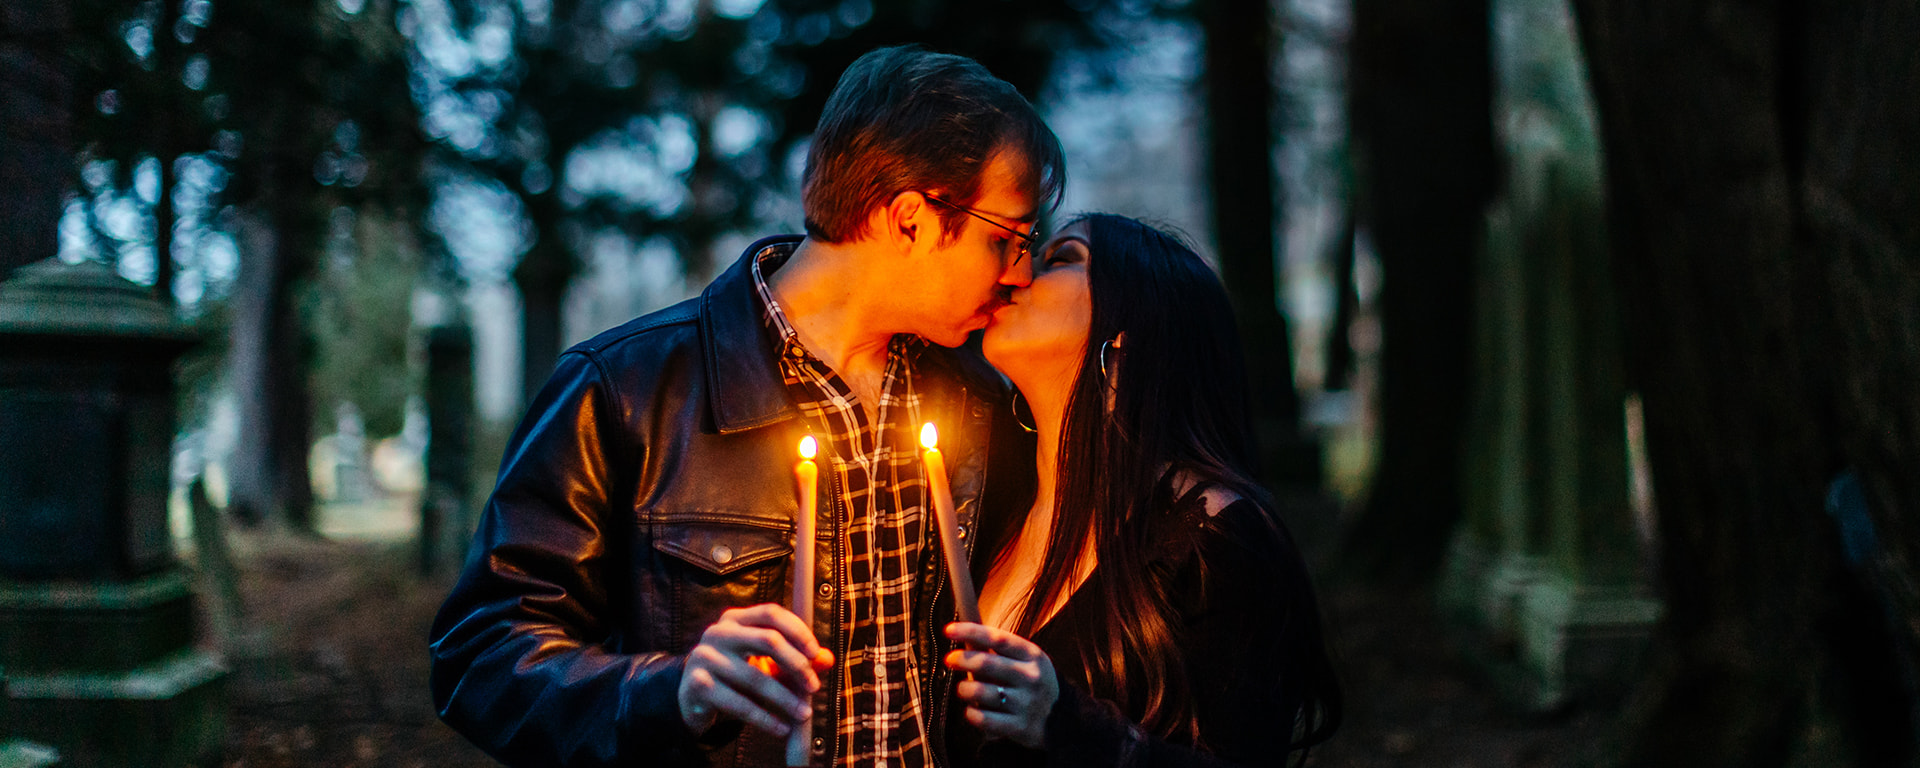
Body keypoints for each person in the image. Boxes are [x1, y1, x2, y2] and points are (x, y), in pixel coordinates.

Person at [428, 45, 1063, 768]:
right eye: (1007, 238)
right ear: (912, 219)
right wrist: (670, 691)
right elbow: (480, 656)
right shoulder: (625, 389)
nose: (1021, 272)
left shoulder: (980, 404)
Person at [940, 214, 1342, 767]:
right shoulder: (985, 504)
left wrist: (1067, 723)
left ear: (1127, 329)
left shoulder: (1212, 535)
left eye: (1061, 259)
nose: (1017, 274)